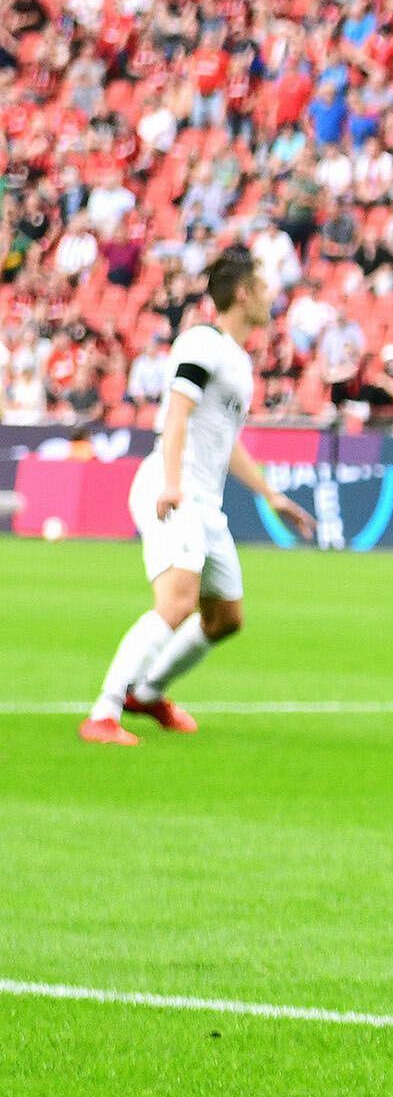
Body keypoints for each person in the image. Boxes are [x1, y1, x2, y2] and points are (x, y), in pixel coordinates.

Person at [81, 249, 318, 746]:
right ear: (243, 293)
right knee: (176, 603)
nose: (272, 296)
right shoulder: (201, 341)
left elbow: (223, 442)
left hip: (206, 502)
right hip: (174, 487)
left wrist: (270, 494)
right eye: (264, 286)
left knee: (225, 618)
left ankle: (147, 693)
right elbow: (177, 414)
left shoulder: (239, 360)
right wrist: (172, 483)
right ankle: (103, 713)